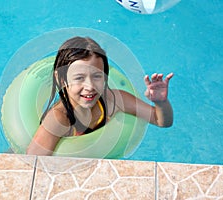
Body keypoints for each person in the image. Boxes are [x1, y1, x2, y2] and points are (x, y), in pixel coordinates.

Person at [26, 36, 173, 156]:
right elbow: (33, 164)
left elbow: (161, 121)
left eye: (97, 76)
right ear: (62, 80)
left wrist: (161, 102)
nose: (90, 87)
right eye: (79, 78)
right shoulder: (59, 118)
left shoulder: (113, 101)